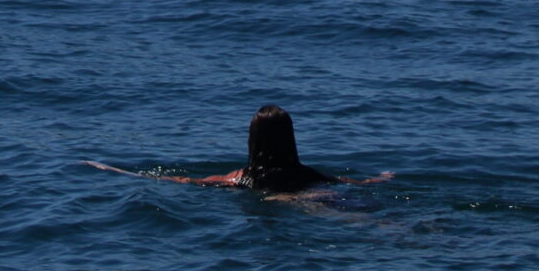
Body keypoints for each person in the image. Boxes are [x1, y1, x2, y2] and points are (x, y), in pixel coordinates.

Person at [87, 104, 386, 194]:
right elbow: (351, 183)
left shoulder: (241, 178)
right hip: (320, 194)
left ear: (253, 140)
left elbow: (188, 181)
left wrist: (122, 172)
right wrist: (382, 179)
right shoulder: (308, 173)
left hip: (283, 200)